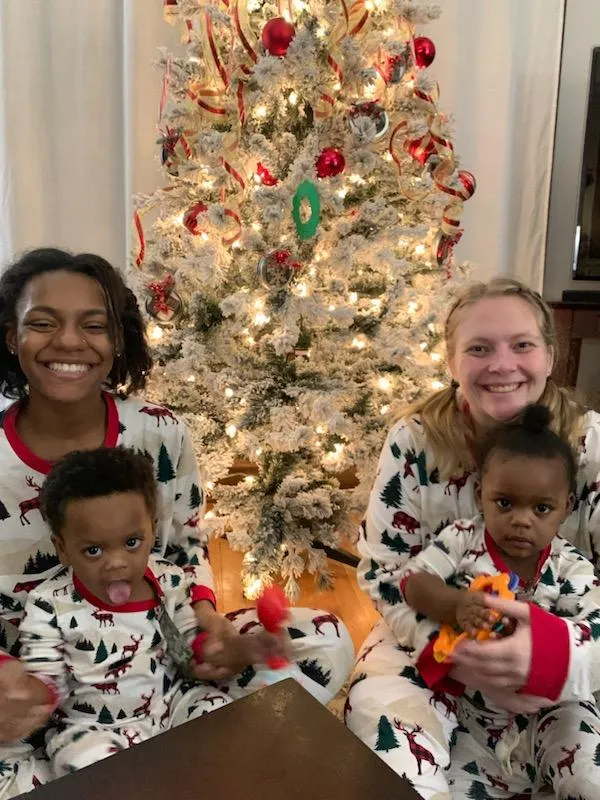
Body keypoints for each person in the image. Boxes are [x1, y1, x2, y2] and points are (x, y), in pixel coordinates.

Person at [0, 248, 353, 797]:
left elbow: (184, 554)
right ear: (10, 338)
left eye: (93, 326)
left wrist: (210, 625)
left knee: (325, 640)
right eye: (42, 324)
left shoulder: (161, 432)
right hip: (32, 680)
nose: (69, 342)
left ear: (117, 342)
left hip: (163, 659)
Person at [346, 277, 600, 799]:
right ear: (452, 361)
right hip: (432, 647)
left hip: (572, 671)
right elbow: (385, 573)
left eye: (522, 345)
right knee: (388, 749)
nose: (502, 365)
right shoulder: (414, 442)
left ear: (550, 356)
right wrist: (456, 654)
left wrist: (555, 663)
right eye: (479, 348)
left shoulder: (592, 446)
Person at [19, 446, 295, 778]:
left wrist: (246, 648)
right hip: (92, 729)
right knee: (83, 763)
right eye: (93, 550)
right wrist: (28, 694)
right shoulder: (48, 603)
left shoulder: (169, 581)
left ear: (152, 529)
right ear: (62, 548)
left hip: (171, 704)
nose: (117, 562)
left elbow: (193, 653)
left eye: (132, 542)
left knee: (223, 716)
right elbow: (45, 680)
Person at [398, 404, 600, 798]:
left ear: (566, 509)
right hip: (473, 717)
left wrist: (551, 646)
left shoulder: (570, 566)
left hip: (554, 712)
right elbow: (413, 581)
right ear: (481, 495)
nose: (522, 520)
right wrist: (453, 604)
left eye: (541, 508)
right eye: (505, 503)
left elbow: (594, 621)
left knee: (587, 775)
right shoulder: (461, 538)